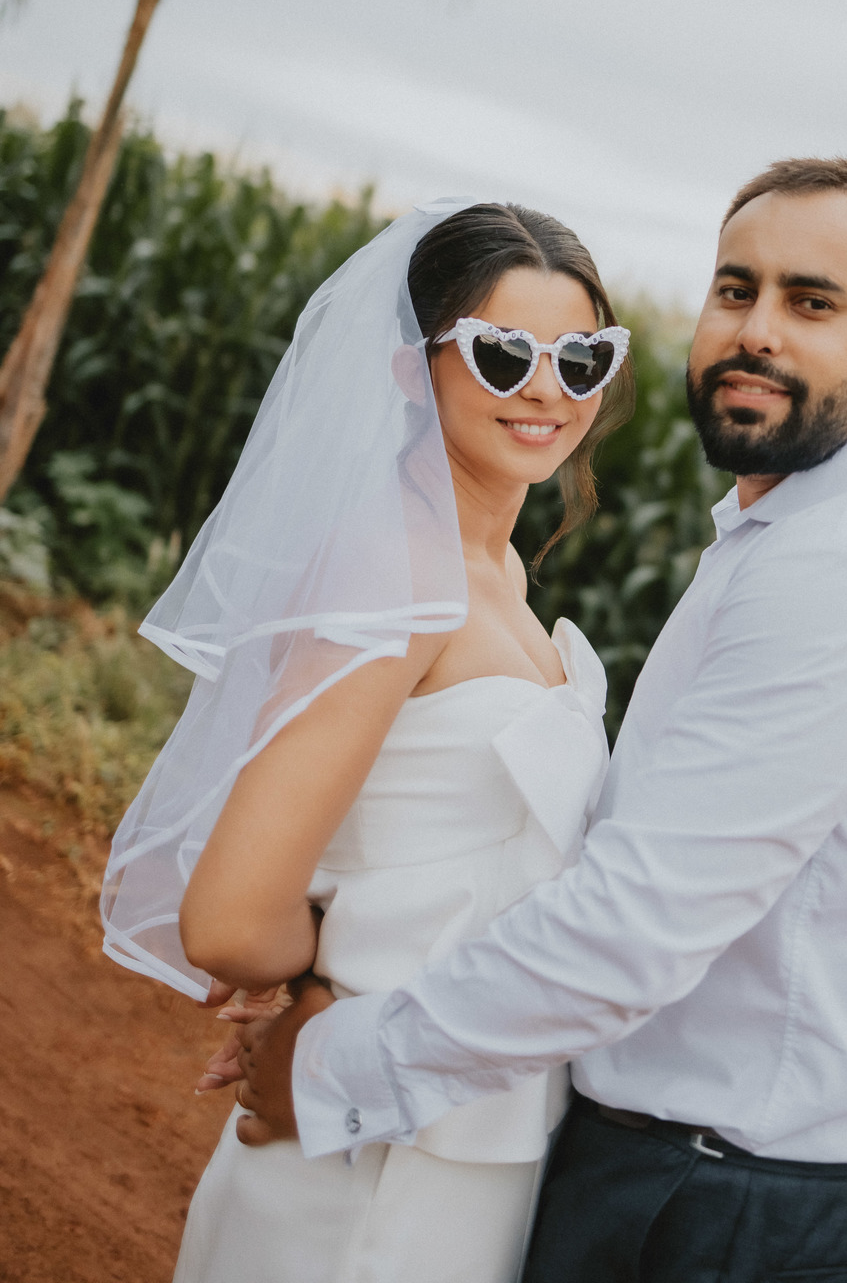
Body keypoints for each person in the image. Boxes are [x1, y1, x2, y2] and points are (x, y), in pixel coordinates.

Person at [229, 157, 847, 1283]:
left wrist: (329, 1064)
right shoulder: (790, 531)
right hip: (659, 1167)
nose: (757, 331)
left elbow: (636, 921)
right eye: (736, 289)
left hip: (721, 1206)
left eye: (812, 302)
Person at [99, 197, 635, 1283]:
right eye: (500, 353)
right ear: (408, 369)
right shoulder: (390, 574)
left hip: (458, 1118)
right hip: (357, 1173)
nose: (546, 389)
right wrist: (315, 985)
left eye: (581, 358)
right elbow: (228, 916)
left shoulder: (499, 573)